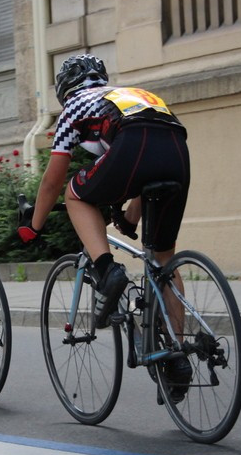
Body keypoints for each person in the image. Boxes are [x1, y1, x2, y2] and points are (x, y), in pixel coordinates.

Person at [18, 53, 191, 329]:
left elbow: (52, 180)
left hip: (133, 140)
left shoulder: (74, 105)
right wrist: (129, 218)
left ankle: (107, 269)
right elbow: (149, 159)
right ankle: (178, 354)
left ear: (65, 89)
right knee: (163, 259)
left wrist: (34, 225)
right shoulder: (130, 93)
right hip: (177, 151)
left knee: (74, 194)